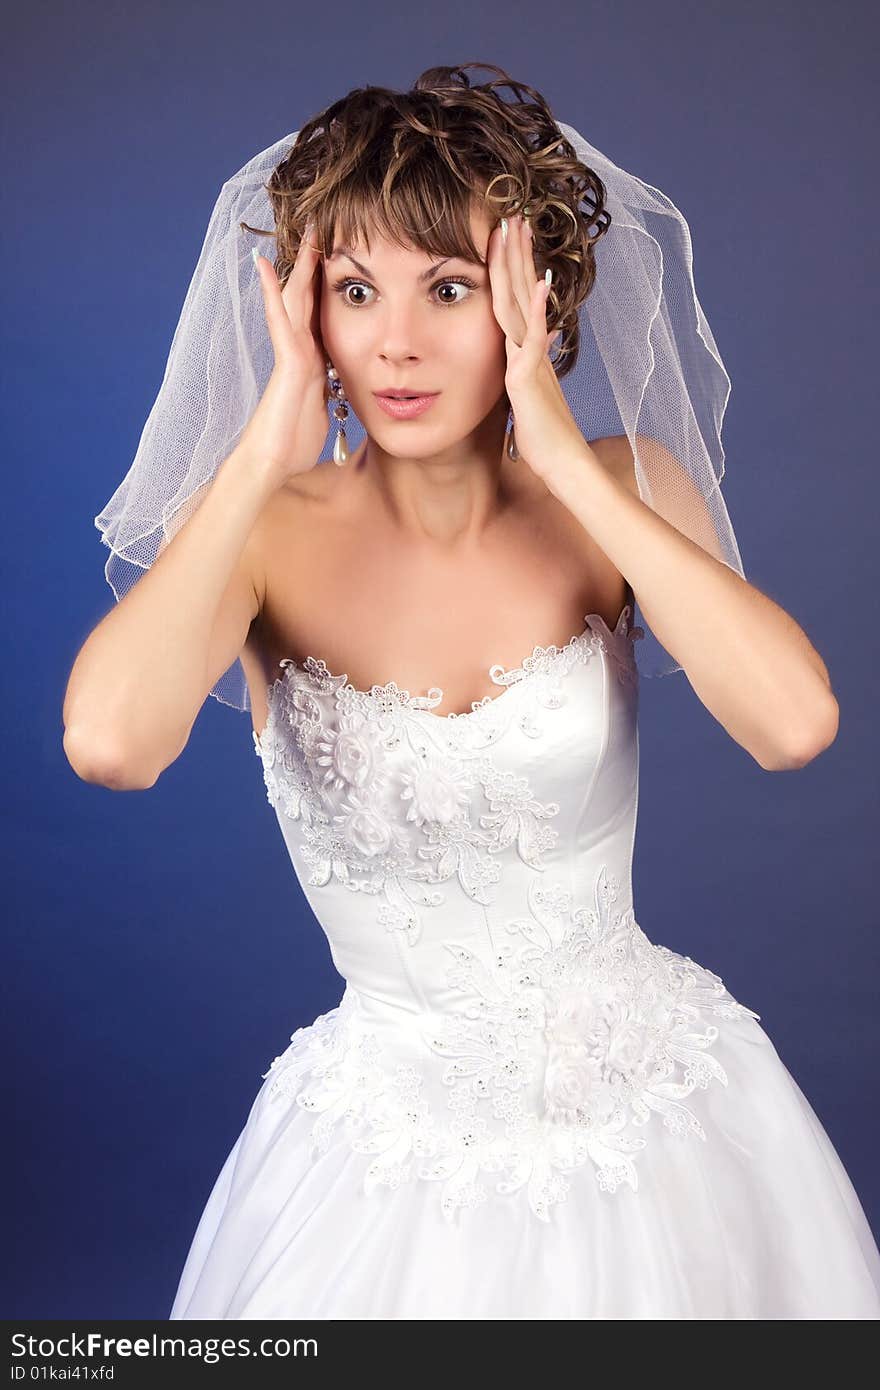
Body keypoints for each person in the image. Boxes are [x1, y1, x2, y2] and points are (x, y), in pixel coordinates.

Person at [64, 63, 880, 1318]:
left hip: (659, 1123)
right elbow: (112, 744)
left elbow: (794, 723)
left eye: (448, 289)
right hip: (383, 1154)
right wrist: (263, 441)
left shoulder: (625, 488)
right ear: (304, 314)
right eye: (352, 291)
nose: (395, 342)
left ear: (535, 303)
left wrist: (564, 452)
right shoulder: (258, 537)